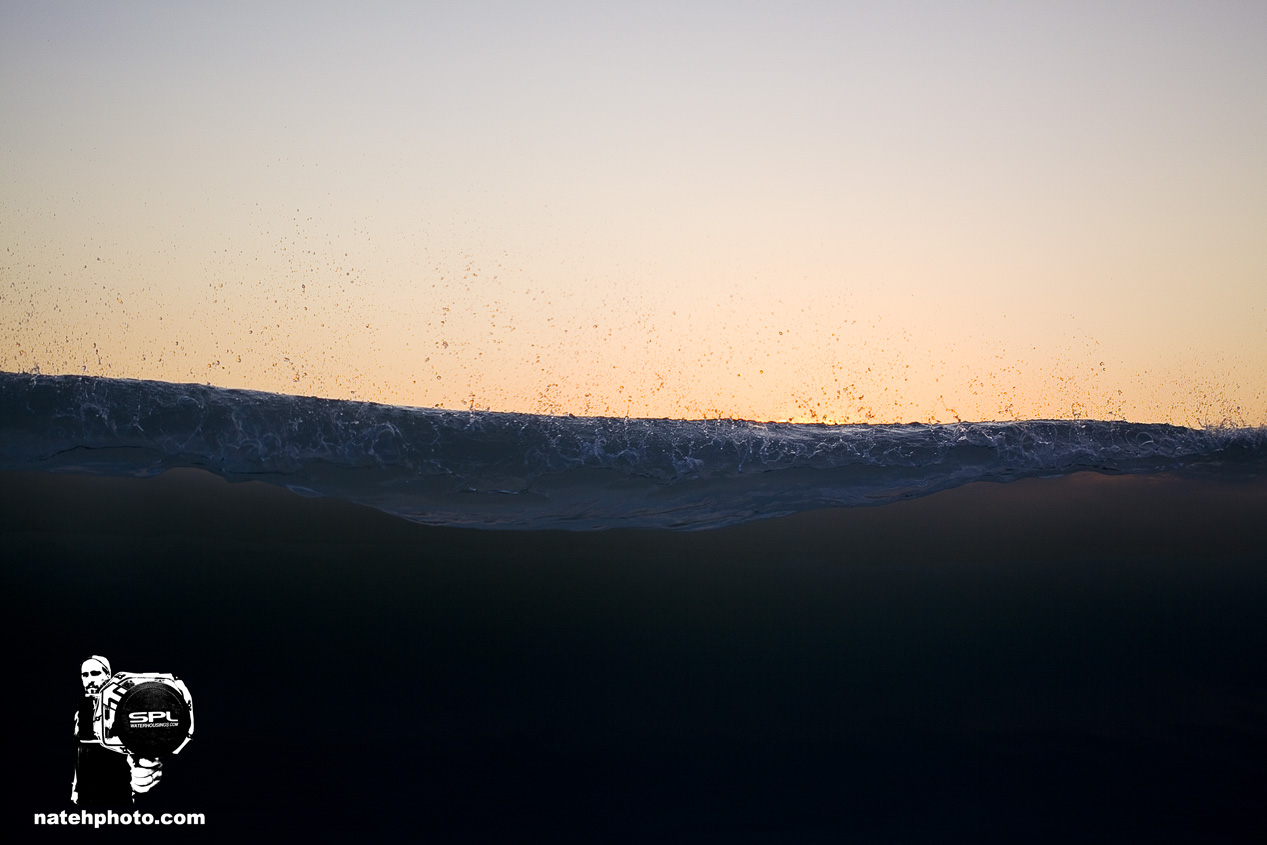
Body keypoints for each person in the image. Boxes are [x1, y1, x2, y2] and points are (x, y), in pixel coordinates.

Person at [72, 656, 163, 807]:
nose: (89, 679)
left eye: (95, 673)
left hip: (117, 796)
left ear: (107, 675)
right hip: (86, 797)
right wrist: (76, 788)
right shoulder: (82, 712)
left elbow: (143, 752)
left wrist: (143, 774)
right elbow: (79, 752)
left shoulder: (127, 707)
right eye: (85, 675)